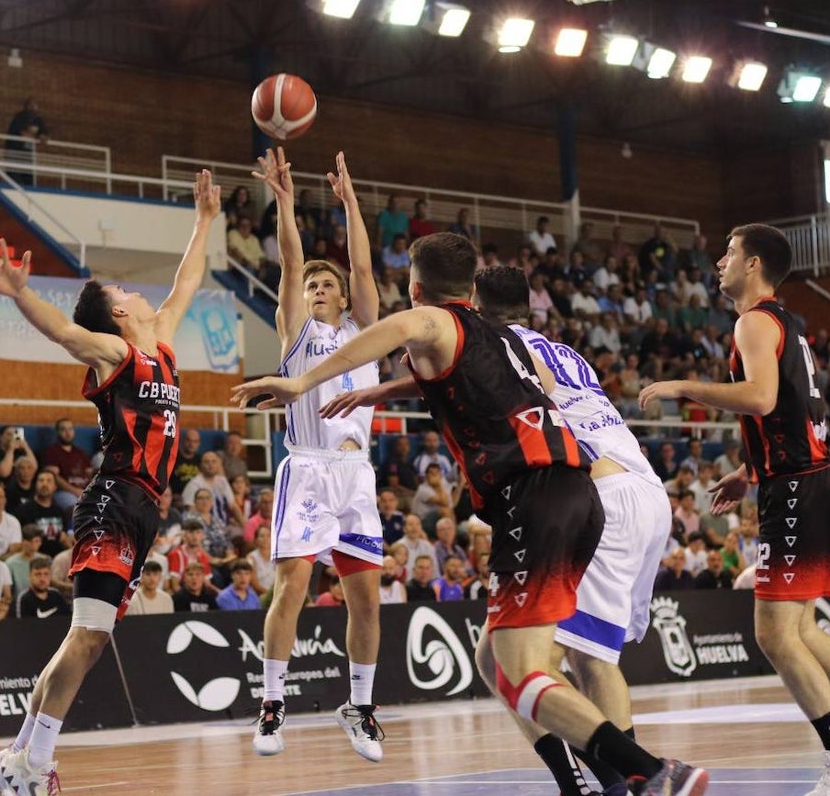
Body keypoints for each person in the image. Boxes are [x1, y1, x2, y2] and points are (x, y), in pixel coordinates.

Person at [235, 231, 707, 794]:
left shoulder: (431, 320)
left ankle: (652, 773)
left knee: (523, 671)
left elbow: (404, 329)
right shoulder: (506, 337)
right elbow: (514, 382)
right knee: (493, 659)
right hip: (580, 490)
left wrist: (301, 380)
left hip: (533, 498)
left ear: (415, 288)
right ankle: (595, 780)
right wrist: (379, 393)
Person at [640, 224, 830, 794]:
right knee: (801, 627)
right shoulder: (787, 324)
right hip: (806, 479)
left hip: (795, 490)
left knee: (773, 634)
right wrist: (751, 470)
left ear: (754, 264)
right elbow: (797, 409)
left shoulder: (752, 323)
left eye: (729, 253)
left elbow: (763, 399)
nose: (720, 261)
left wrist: (683, 387)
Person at [0, 170, 218, 794]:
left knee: (82, 637)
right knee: (89, 636)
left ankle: (17, 760)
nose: (135, 292)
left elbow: (186, 282)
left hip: (144, 509)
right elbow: (63, 331)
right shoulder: (116, 355)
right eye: (121, 289)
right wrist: (19, 295)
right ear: (117, 312)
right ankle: (34, 766)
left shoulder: (161, 345)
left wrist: (205, 222)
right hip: (114, 499)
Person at [245, 148, 385, 763]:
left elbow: (361, 263)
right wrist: (283, 198)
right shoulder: (297, 330)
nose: (322, 287)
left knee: (367, 601)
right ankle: (273, 703)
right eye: (314, 285)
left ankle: (359, 705)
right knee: (293, 587)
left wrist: (351, 201)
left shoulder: (365, 333)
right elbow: (293, 259)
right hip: (306, 469)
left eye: (329, 284)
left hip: (357, 475)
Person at [4, 97, 49, 186]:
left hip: (27, 152)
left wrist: (42, 137)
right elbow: (21, 132)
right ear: (26, 106)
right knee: (14, 175)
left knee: (28, 177)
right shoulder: (20, 116)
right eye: (30, 105)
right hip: (15, 151)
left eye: (35, 105)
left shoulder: (38, 119)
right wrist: (34, 136)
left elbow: (44, 135)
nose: (33, 107)